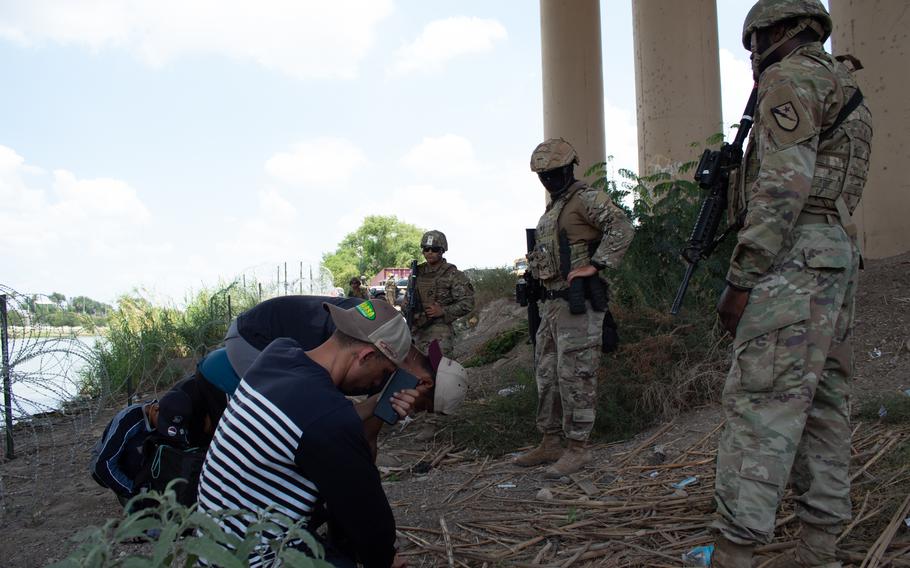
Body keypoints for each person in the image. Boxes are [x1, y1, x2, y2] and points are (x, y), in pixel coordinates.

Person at [711, 1, 872, 566]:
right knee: (826, 406)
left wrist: (741, 278)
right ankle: (819, 547)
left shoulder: (790, 77)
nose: (753, 58)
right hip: (835, 255)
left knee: (760, 409)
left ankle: (735, 553)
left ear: (777, 31)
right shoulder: (841, 81)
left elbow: (783, 187)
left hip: (793, 259)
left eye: (755, 43)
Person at [197, 300, 412, 567]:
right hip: (253, 560)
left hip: (212, 546)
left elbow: (312, 421)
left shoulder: (278, 355)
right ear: (366, 356)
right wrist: (384, 559)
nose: (377, 383)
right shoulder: (328, 416)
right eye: (383, 373)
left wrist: (376, 404)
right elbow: (367, 514)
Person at [514, 138, 633, 478]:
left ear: (568, 169)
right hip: (551, 306)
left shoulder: (586, 199)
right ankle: (550, 441)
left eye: (553, 173)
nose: (548, 179)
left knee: (575, 377)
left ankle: (578, 447)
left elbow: (621, 227)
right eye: (543, 175)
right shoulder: (555, 207)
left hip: (576, 305)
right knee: (548, 376)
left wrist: (596, 265)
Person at [89, 389, 194, 508]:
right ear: (155, 409)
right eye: (163, 424)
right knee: (138, 449)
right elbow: (103, 466)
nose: (163, 429)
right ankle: (135, 495)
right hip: (104, 465)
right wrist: (136, 495)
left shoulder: (175, 417)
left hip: (140, 464)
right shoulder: (129, 419)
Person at [407, 230, 475, 357]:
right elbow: (408, 299)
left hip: (439, 329)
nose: (430, 252)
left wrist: (443, 311)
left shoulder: (452, 274)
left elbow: (468, 302)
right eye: (426, 249)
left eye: (434, 249)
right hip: (416, 328)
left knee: (438, 369)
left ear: (442, 250)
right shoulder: (417, 273)